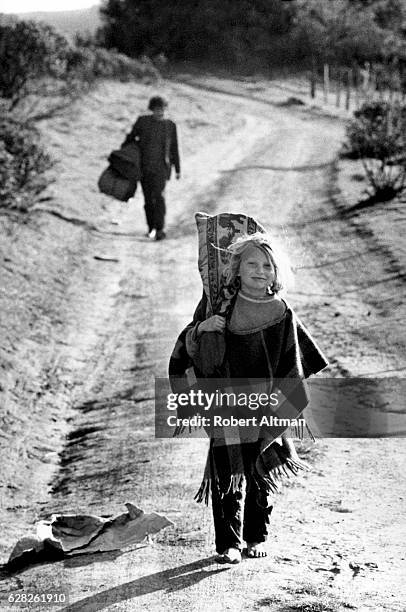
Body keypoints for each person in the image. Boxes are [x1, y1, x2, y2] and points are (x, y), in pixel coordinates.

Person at [169, 231, 328, 564]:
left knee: (260, 469)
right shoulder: (221, 309)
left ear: (277, 273)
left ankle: (256, 537)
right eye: (252, 263)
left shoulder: (283, 313)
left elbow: (294, 363)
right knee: (226, 474)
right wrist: (201, 329)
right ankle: (228, 543)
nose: (260, 270)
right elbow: (188, 348)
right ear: (236, 270)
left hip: (268, 404)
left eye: (268, 265)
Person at [122, 95, 180, 240]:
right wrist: (126, 156)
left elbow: (174, 148)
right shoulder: (143, 122)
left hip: (161, 169)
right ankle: (151, 228)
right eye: (157, 109)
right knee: (148, 200)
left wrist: (177, 168)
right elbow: (130, 139)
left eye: (162, 109)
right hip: (143, 168)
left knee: (159, 197)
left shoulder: (170, 125)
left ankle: (160, 229)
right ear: (151, 110)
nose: (160, 112)